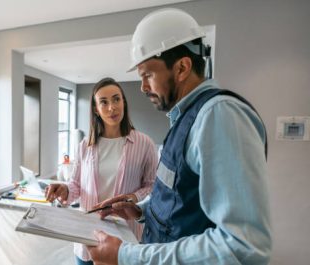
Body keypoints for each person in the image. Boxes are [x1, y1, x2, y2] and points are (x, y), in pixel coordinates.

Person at [87, 8, 272, 265]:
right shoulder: (187, 119)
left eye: (148, 75)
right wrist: (140, 209)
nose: (143, 87)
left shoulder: (219, 116)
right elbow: (180, 198)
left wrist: (125, 255)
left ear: (182, 67)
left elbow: (244, 246)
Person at [45, 77, 158, 265]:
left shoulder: (145, 143)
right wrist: (65, 189)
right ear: (96, 109)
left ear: (124, 102)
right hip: (88, 238)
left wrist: (131, 198)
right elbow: (76, 185)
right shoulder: (85, 146)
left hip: (126, 241)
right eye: (104, 103)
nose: (112, 107)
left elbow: (152, 186)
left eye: (116, 99)